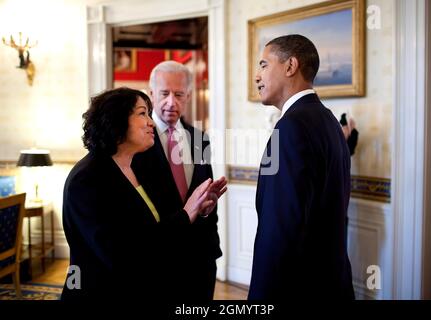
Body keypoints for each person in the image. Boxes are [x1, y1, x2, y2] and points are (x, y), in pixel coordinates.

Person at [61, 87, 226, 300]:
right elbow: (123, 254)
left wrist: (197, 209)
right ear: (116, 119)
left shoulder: (132, 167)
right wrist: (186, 213)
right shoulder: (87, 178)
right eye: (142, 113)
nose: (151, 122)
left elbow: (153, 228)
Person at [248, 34, 355, 300]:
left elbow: (281, 228)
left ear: (290, 66)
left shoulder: (291, 127)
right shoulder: (329, 120)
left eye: (263, 64)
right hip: (329, 279)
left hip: (297, 287)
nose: (256, 76)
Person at [132, 61, 225, 300]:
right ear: (151, 94)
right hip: (158, 260)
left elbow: (205, 197)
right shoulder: (134, 142)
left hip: (201, 258)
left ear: (188, 96)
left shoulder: (200, 139)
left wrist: (205, 208)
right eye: (164, 93)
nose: (171, 102)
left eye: (179, 94)